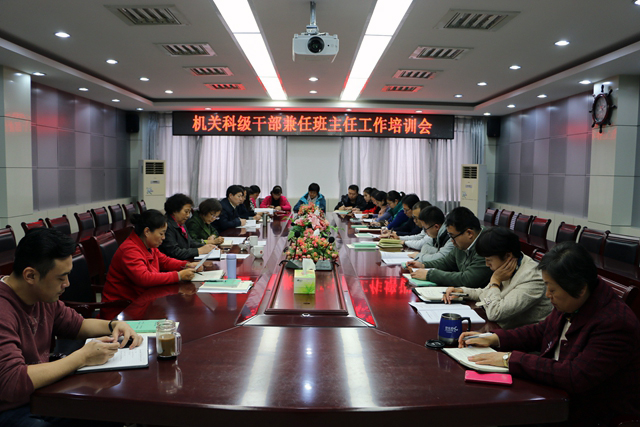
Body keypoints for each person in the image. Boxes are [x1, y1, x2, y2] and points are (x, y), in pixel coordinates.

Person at [459, 242, 640, 426]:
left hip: (589, 413)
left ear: (580, 288)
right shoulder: (574, 301)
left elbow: (574, 376)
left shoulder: (615, 323)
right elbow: (541, 331)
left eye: (552, 289)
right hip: (555, 396)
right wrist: (495, 338)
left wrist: (509, 359)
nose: (547, 295)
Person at [0, 228, 143, 426]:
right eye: (61, 277)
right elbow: (13, 381)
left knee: (109, 410)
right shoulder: (4, 309)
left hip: (39, 395)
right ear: (30, 275)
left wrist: (114, 325)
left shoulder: (40, 295)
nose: (67, 284)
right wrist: (82, 357)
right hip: (9, 407)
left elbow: (78, 325)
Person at [443, 227, 552, 329]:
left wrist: (495, 282)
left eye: (489, 260)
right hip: (502, 330)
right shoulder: (510, 265)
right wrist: (462, 292)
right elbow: (486, 294)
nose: (487, 264)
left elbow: (495, 313)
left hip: (523, 339)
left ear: (508, 256)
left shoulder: (532, 278)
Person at [102, 209, 201, 317]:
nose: (163, 237)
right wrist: (178, 276)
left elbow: (164, 261)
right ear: (147, 231)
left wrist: (186, 264)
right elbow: (144, 278)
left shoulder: (148, 245)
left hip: (143, 302)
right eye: (161, 233)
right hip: (123, 310)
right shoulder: (130, 250)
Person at [408, 206, 492, 287]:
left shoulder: (487, 245)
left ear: (469, 233)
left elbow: (469, 279)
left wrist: (430, 275)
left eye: (453, 236)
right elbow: (446, 262)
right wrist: (423, 265)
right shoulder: (461, 244)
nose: (452, 241)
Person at [159, 193, 215, 260]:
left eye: (189, 212)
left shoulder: (180, 223)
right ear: (174, 211)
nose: (188, 215)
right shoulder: (166, 226)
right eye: (186, 212)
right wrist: (199, 251)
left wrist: (207, 247)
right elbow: (174, 252)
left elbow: (190, 242)